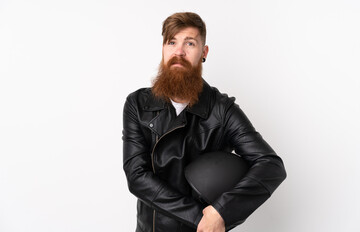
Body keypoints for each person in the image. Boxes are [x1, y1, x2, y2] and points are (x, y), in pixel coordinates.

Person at [122, 12, 286, 232]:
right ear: (163, 49)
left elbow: (270, 165)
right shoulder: (137, 104)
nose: (179, 51)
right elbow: (136, 176)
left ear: (203, 52)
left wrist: (221, 211)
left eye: (189, 43)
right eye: (172, 42)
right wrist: (199, 217)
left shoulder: (222, 109)